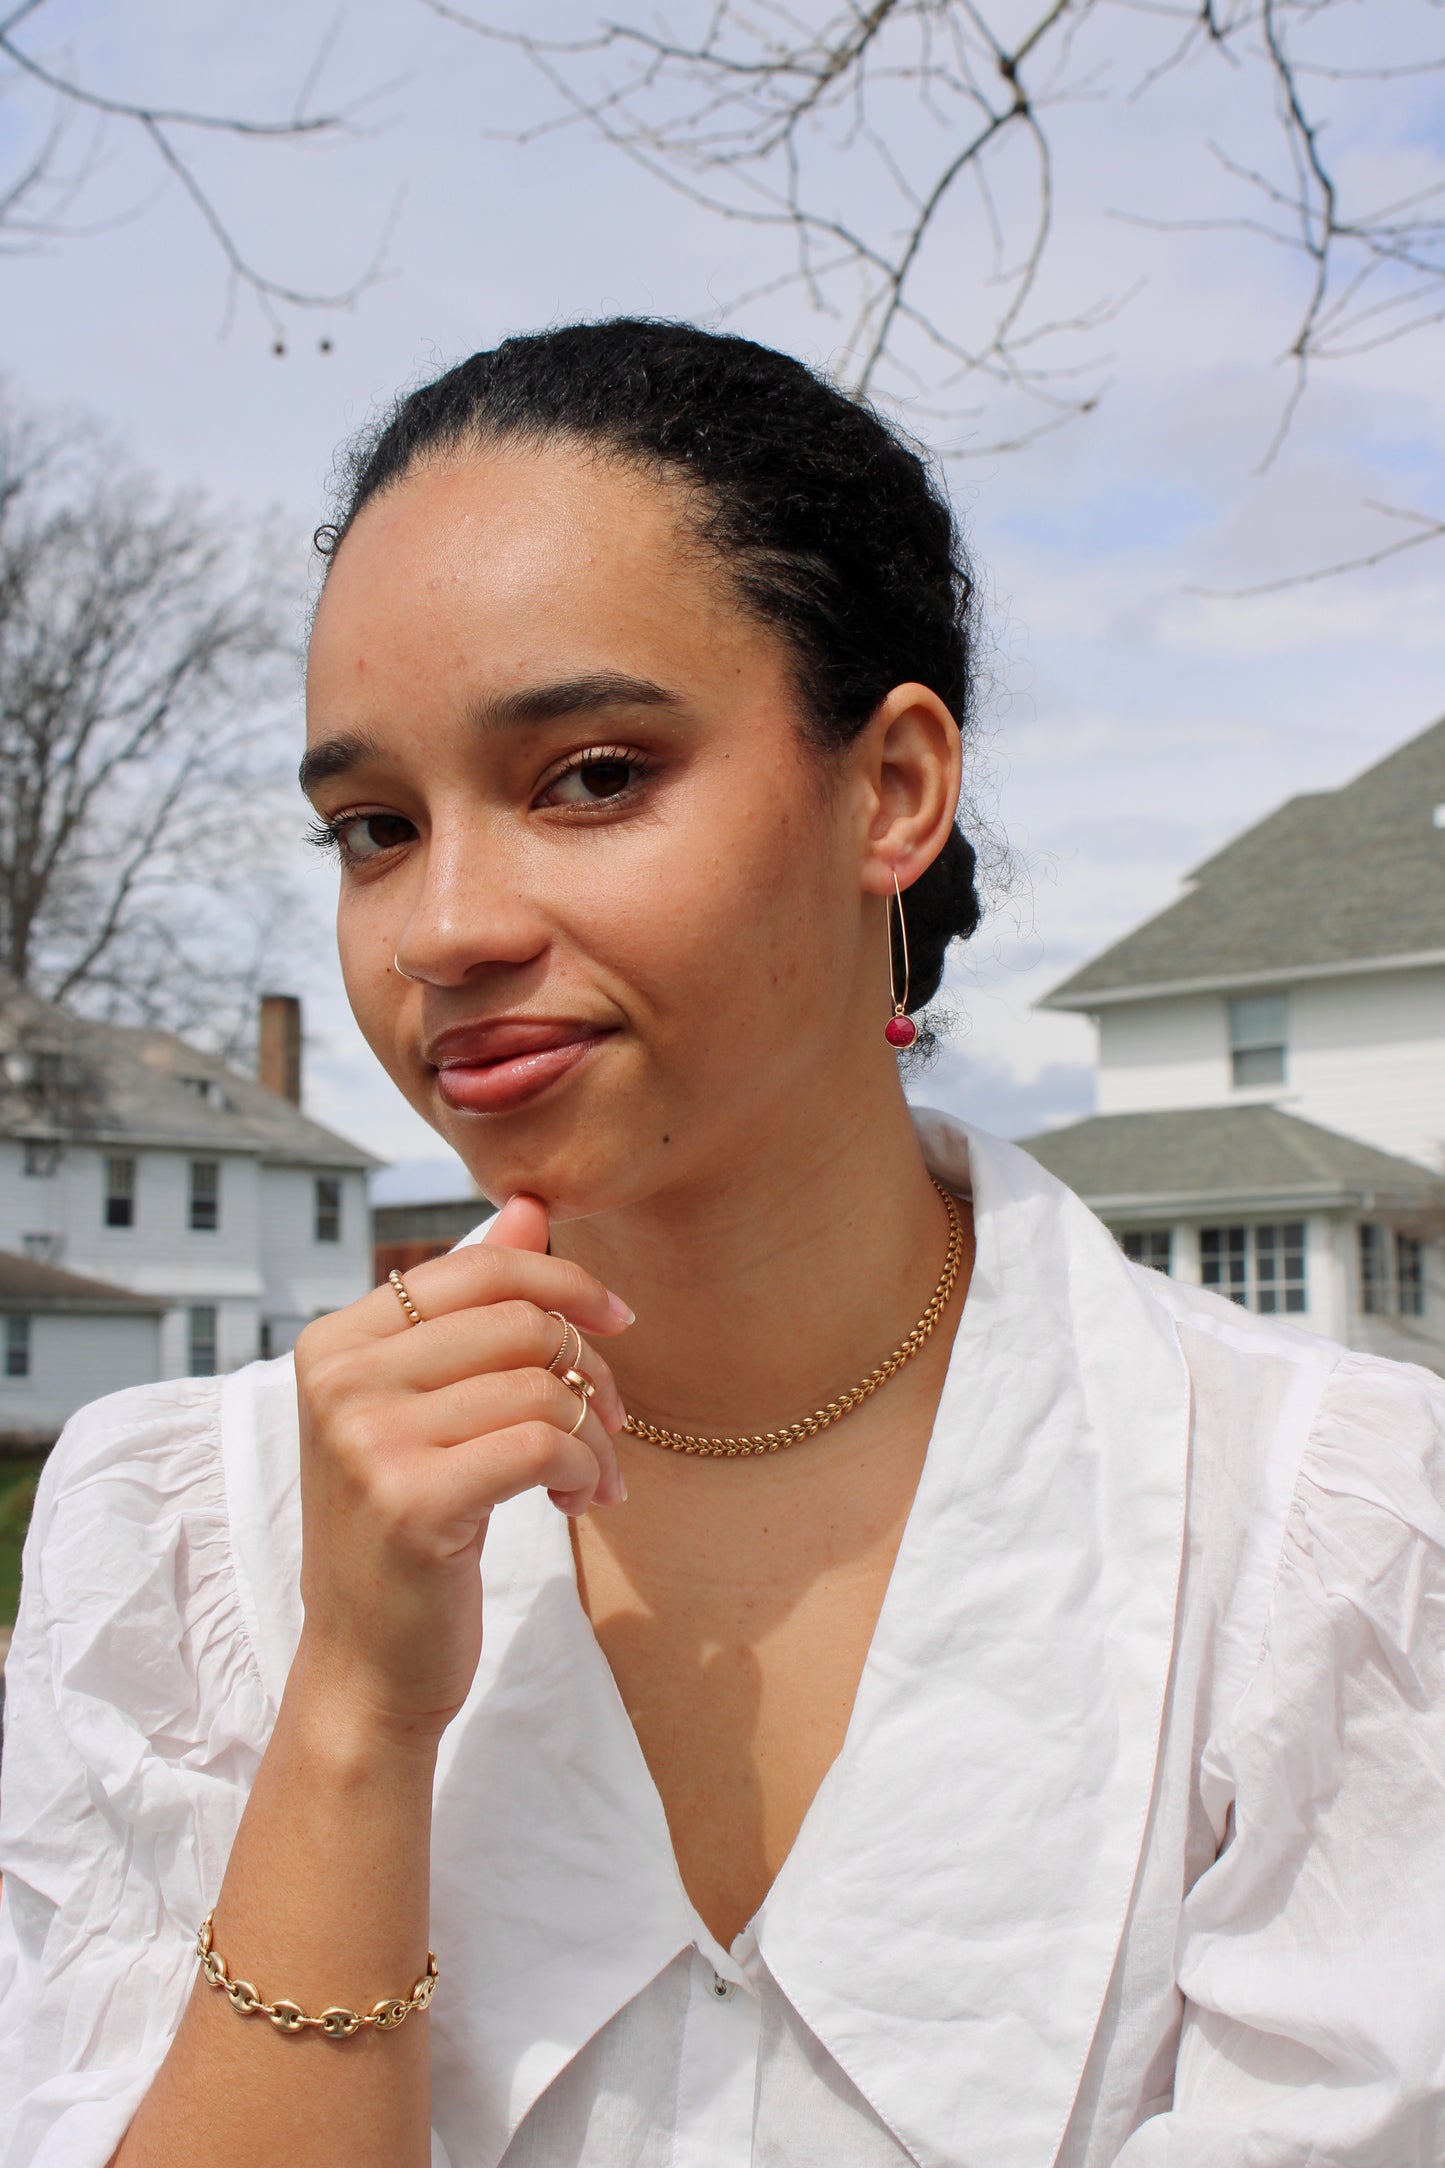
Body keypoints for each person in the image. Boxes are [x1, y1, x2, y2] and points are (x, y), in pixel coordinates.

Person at [1, 320, 1443, 2168]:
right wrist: (351, 1716)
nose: (443, 924)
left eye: (591, 775)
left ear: (891, 789)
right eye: (371, 827)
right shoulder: (185, 1534)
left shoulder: (1314, 1533)